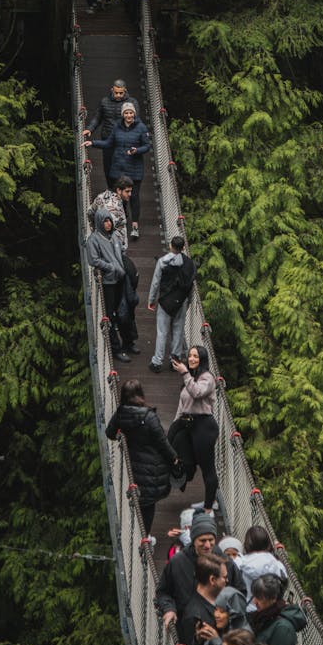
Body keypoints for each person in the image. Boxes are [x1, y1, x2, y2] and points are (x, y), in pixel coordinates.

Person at [105, 378, 180, 535]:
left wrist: (124, 436)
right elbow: (162, 442)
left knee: (136, 501)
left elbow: (110, 433)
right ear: (140, 394)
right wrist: (174, 458)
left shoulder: (120, 414)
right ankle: (144, 540)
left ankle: (135, 538)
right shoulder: (149, 417)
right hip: (151, 468)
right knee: (147, 505)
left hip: (131, 466)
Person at [156, 512, 246, 642]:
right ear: (193, 540)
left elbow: (240, 591)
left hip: (220, 631)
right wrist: (169, 609)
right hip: (186, 628)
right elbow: (163, 591)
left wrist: (228, 615)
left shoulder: (226, 563)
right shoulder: (178, 563)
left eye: (211, 540)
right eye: (202, 540)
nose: (208, 545)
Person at [84, 101, 150, 238]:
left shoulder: (141, 127)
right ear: (123, 114)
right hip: (119, 167)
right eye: (126, 113)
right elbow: (109, 143)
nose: (129, 115)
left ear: (134, 114)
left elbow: (147, 146)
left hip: (135, 169)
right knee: (121, 197)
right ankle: (123, 222)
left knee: (134, 197)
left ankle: (135, 226)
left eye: (131, 113)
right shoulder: (117, 127)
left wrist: (137, 150)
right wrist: (93, 143)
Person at [168, 345, 219, 512]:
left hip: (204, 426)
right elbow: (182, 405)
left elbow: (197, 393)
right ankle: (185, 479)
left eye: (196, 357)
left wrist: (184, 373)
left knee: (207, 467)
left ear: (202, 359)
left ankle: (208, 507)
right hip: (188, 423)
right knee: (178, 452)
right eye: (190, 356)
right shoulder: (190, 377)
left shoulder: (208, 378)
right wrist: (174, 426)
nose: (191, 359)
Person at [84, 208, 131, 363]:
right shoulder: (94, 240)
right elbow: (93, 260)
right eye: (105, 221)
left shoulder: (114, 237)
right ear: (99, 222)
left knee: (124, 310)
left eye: (109, 220)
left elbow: (121, 254)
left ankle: (129, 342)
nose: (108, 224)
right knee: (109, 315)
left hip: (120, 279)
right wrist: (111, 267)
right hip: (108, 282)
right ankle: (116, 348)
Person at [148, 233, 195, 372]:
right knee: (178, 331)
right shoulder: (189, 263)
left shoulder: (162, 262)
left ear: (170, 246)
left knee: (162, 332)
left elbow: (155, 283)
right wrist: (188, 301)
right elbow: (191, 283)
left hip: (165, 302)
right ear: (183, 248)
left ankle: (157, 362)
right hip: (181, 301)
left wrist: (151, 300)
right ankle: (175, 361)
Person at [83, 79, 140, 187]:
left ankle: (123, 191)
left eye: (121, 93)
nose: (118, 95)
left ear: (125, 91)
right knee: (108, 166)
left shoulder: (132, 103)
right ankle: (112, 190)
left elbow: (136, 121)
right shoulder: (104, 101)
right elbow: (97, 118)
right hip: (108, 139)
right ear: (112, 90)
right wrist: (90, 129)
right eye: (116, 92)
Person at [180, 554, 228, 645]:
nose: (227, 580)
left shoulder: (221, 601)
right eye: (224, 577)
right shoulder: (195, 616)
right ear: (213, 580)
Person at [247, 575, 307, 645]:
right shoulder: (264, 616)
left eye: (259, 598)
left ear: (273, 598)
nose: (254, 601)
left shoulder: (283, 629)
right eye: (254, 596)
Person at [236, 527, 288, 605]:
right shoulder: (278, 565)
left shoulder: (240, 563)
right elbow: (284, 581)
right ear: (268, 542)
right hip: (272, 610)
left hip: (246, 609)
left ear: (247, 543)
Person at [86, 176, 133, 249]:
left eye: (130, 191)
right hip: (112, 250)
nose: (130, 194)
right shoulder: (116, 208)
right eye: (127, 191)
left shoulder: (103, 195)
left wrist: (94, 228)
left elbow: (90, 212)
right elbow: (110, 230)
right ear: (119, 190)